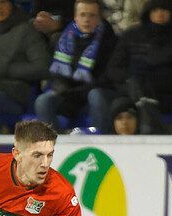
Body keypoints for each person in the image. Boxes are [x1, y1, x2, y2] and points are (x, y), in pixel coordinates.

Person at [107, 0, 172, 134]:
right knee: (112, 100)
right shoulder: (131, 35)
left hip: (162, 94)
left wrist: (151, 81)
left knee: (143, 99)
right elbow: (113, 68)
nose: (160, 14)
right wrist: (132, 79)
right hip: (128, 90)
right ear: (148, 12)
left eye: (165, 10)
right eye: (155, 10)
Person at [34, 0, 118, 133]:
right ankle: (54, 146)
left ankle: (101, 144)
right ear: (75, 17)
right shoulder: (61, 40)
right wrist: (63, 89)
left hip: (96, 90)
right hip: (69, 92)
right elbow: (56, 75)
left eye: (92, 15)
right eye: (83, 15)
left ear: (100, 17)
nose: (87, 19)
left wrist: (76, 94)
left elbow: (107, 78)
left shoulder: (110, 41)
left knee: (95, 95)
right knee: (43, 101)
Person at [0, 0, 50, 129]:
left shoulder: (26, 31)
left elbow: (42, 67)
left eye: (3, 2)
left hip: (13, 94)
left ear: (12, 5)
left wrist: (7, 69)